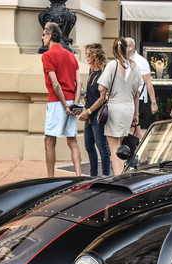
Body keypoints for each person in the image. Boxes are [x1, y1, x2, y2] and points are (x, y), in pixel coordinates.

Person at [41, 22, 82, 177]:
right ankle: (78, 175)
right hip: (72, 100)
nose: (43, 37)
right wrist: (74, 104)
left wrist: (65, 105)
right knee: (72, 140)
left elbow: (55, 83)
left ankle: (50, 178)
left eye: (44, 34)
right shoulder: (71, 55)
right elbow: (80, 82)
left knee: (49, 140)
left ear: (51, 36)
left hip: (57, 102)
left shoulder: (48, 55)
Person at [97, 37, 143, 175]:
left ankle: (118, 176)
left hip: (115, 108)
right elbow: (136, 94)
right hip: (129, 108)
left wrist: (107, 91)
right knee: (122, 145)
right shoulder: (135, 66)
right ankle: (122, 173)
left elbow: (100, 88)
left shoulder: (112, 65)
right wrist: (136, 114)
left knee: (114, 147)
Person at [78, 43, 110, 176]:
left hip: (96, 114)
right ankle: (93, 175)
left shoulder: (103, 71)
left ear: (95, 55)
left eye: (88, 54)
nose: (86, 57)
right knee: (89, 145)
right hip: (89, 113)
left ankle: (106, 176)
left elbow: (102, 98)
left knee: (102, 147)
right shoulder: (91, 71)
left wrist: (89, 111)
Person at [125, 37, 158, 139]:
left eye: (124, 45)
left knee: (132, 125)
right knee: (134, 125)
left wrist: (153, 102)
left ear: (131, 47)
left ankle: (135, 147)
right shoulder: (124, 60)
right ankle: (138, 146)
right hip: (126, 96)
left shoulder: (141, 61)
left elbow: (148, 82)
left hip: (138, 98)